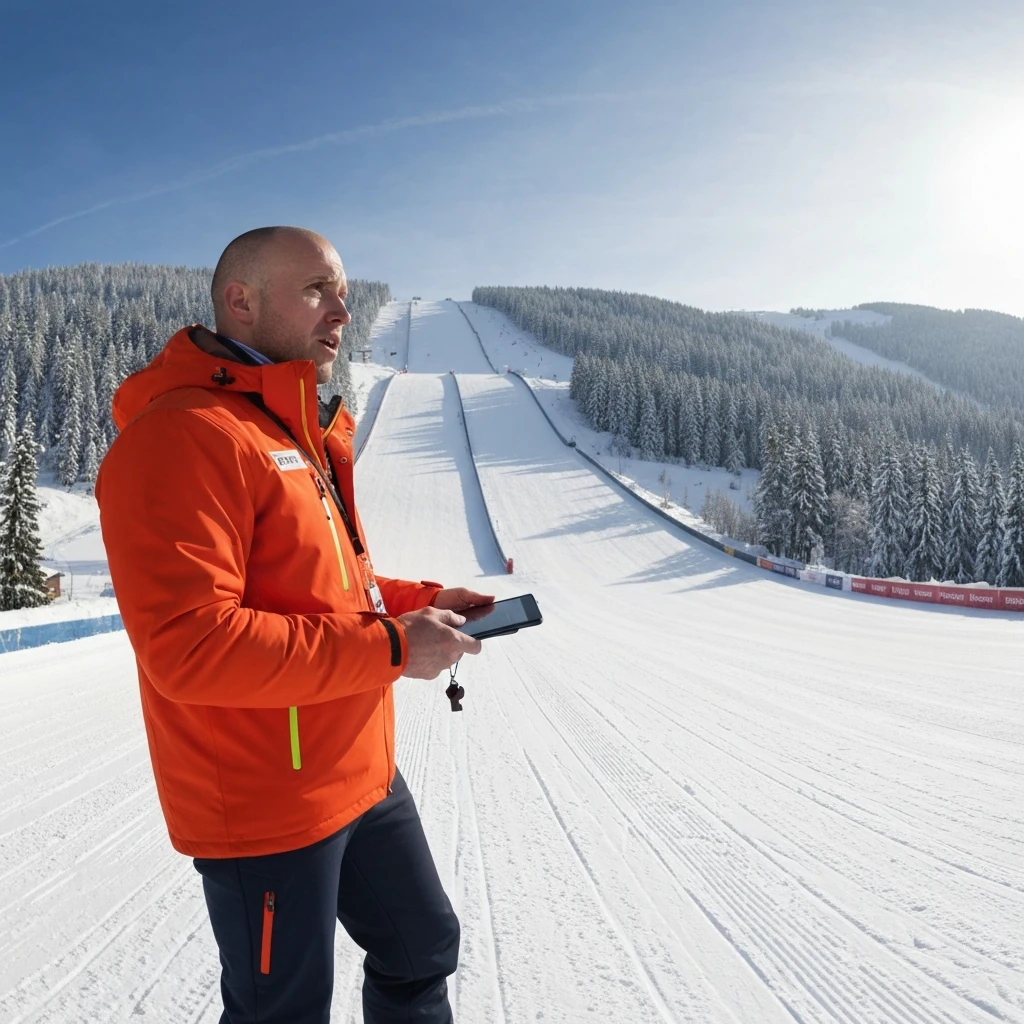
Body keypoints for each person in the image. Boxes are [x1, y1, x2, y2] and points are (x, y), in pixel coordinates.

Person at [95, 226, 493, 1023]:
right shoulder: (184, 435)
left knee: (422, 951)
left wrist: (420, 600)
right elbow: (192, 646)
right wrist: (393, 647)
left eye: (341, 292)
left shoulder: (284, 428)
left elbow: (324, 583)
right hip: (269, 802)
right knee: (284, 1010)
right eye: (316, 290)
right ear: (240, 301)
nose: (342, 311)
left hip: (361, 770)